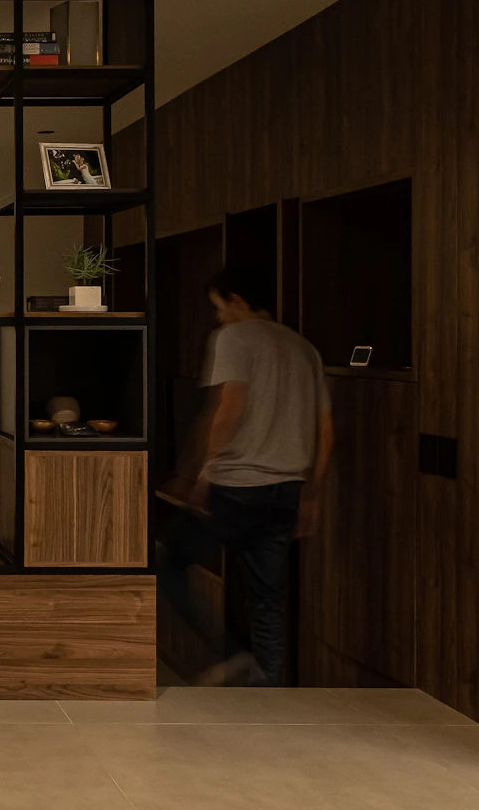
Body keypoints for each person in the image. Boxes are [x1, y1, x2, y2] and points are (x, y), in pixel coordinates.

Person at [160, 266, 333, 687]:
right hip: (286, 490)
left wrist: (202, 472)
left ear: (235, 299)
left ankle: (231, 654)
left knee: (167, 564)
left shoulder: (234, 338)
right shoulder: (304, 348)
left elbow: (229, 408)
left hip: (236, 486)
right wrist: (311, 496)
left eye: (218, 308)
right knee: (267, 598)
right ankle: (266, 692)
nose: (218, 318)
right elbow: (325, 430)